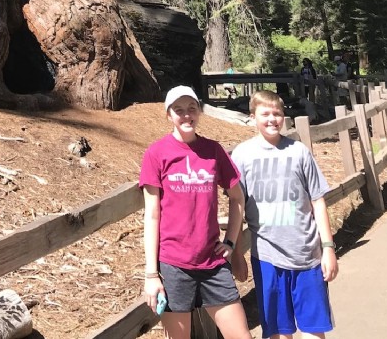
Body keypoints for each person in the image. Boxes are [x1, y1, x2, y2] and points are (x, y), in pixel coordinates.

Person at [140, 86, 252, 339]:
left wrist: (231, 242)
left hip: (212, 262)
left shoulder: (214, 151)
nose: (186, 115)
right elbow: (152, 215)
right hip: (173, 265)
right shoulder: (156, 153)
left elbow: (237, 197)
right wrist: (151, 274)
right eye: (178, 110)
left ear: (199, 111)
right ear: (168, 115)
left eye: (192, 108)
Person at [231, 90, 338, 339]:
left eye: (277, 113)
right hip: (267, 257)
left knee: (314, 327)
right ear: (252, 117)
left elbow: (318, 201)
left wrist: (329, 248)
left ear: (284, 116)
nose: (272, 119)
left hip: (307, 255)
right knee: (277, 330)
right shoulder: (242, 155)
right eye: (265, 113)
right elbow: (236, 205)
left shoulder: (299, 152)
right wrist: (236, 251)